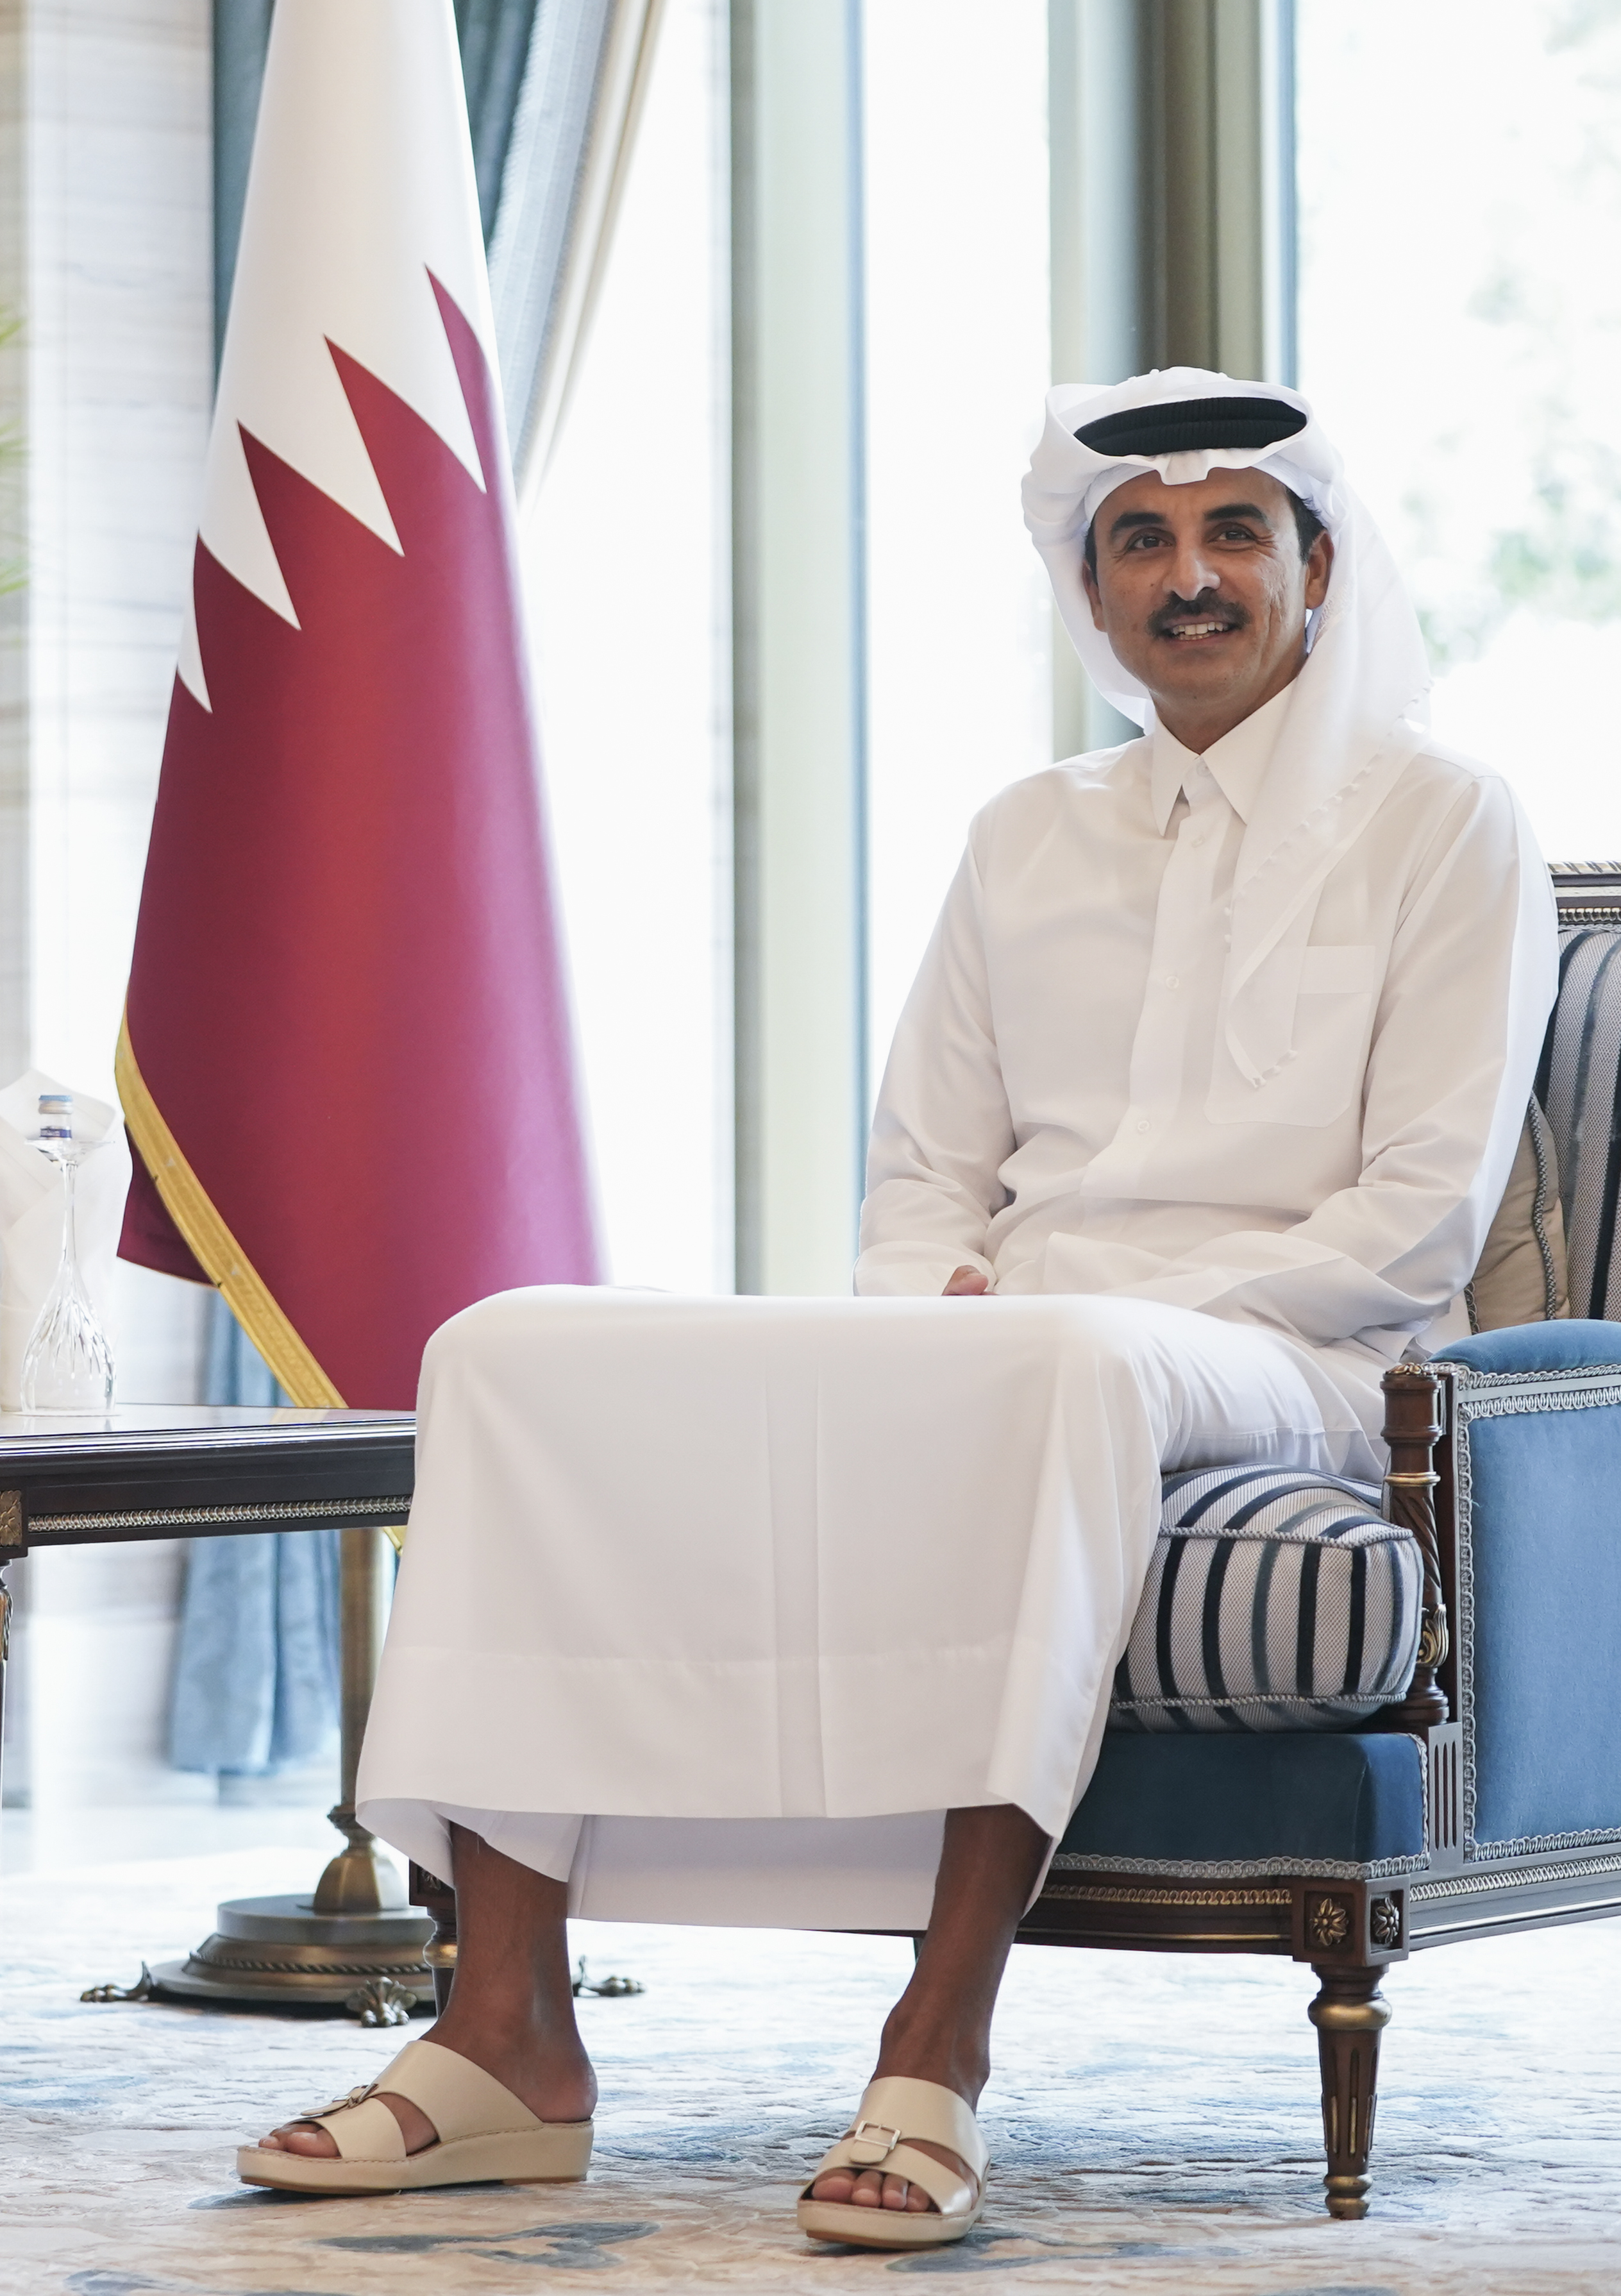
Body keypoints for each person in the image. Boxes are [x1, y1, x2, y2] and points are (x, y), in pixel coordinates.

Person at [238, 370, 1554, 2250]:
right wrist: (922, 1313)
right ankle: (501, 2028)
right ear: (1087, 590)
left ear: (1317, 563)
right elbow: (922, 1172)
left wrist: (1051, 1311)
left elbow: (1411, 1220)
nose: (1187, 577)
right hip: (1023, 1343)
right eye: (1139, 542)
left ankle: (936, 2045)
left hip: (1303, 1355)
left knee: (1058, 1358)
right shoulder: (1027, 833)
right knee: (509, 1346)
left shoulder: (1444, 821)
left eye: (1230, 532)